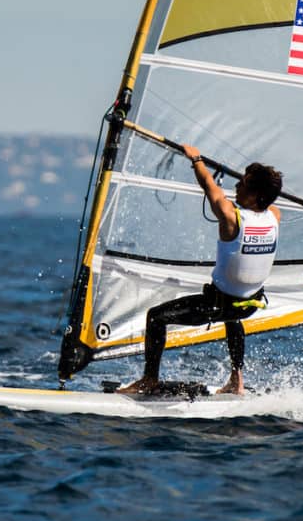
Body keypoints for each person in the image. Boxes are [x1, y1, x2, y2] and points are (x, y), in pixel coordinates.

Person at [117, 144, 282, 396]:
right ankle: (237, 380)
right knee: (234, 315)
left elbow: (209, 186)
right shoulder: (275, 216)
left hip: (217, 304)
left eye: (244, 184)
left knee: (156, 317)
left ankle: (149, 379)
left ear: (257, 195)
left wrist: (195, 159)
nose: (237, 187)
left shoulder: (231, 217)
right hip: (250, 304)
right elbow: (263, 204)